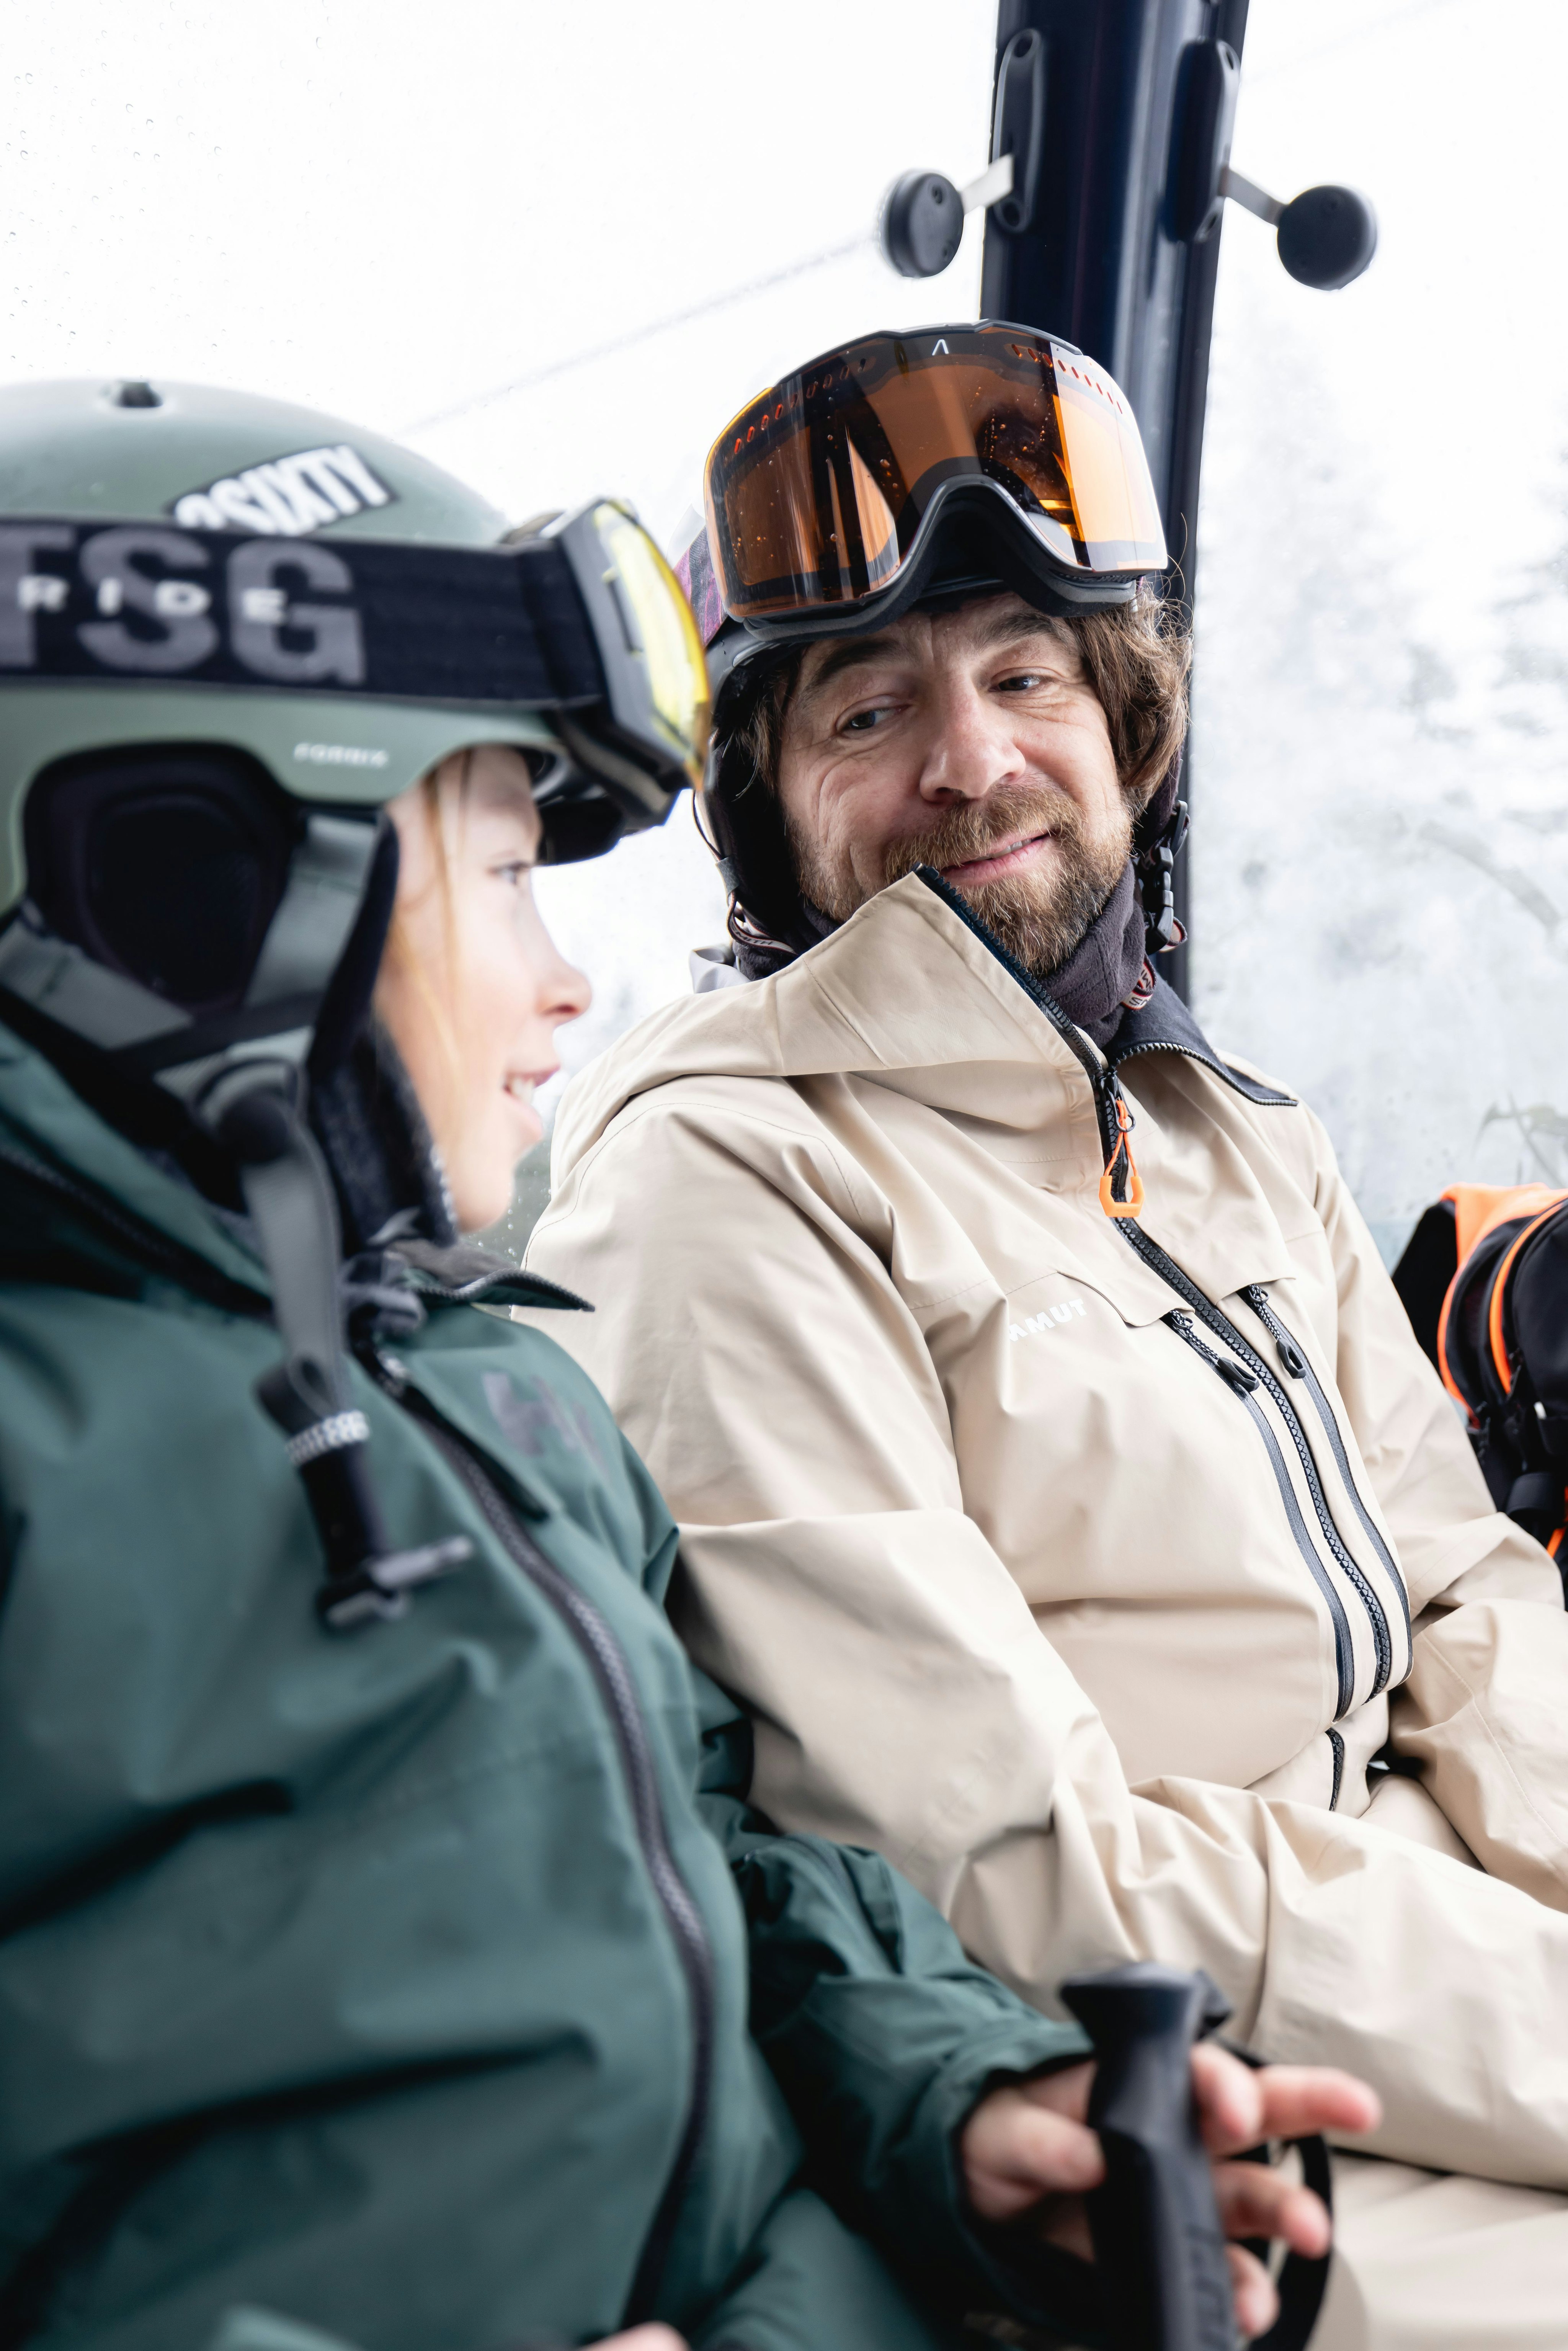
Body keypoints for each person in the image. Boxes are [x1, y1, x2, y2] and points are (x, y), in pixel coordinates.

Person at [0, 377, 1365, 2351]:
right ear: (184, 911)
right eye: (492, 874)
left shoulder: (489, 1396)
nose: (564, 980)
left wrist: (963, 2102)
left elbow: (711, 1848)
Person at [523, 322, 1568, 2345]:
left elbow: (1472, 1614)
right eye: (867, 707)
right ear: (761, 796)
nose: (972, 760)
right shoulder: (727, 1175)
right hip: (1240, 2134)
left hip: (1461, 2034)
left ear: (1126, 720)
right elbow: (1013, 1868)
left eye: (1024, 675)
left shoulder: (1228, 1133)